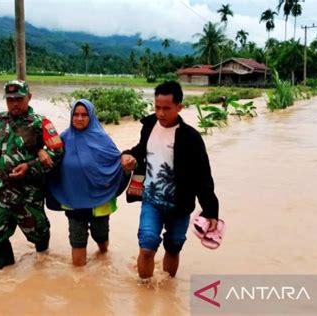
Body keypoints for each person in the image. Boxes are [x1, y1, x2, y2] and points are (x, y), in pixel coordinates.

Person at [121, 80, 219, 280]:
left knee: (173, 248)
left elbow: (203, 176)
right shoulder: (149, 125)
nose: (160, 114)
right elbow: (142, 149)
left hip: (180, 205)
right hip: (151, 201)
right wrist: (129, 155)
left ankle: (167, 291)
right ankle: (145, 296)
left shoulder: (191, 138)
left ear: (179, 107)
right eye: (157, 107)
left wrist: (211, 211)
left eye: (167, 108)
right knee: (147, 246)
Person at [0, 80, 64, 269]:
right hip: (1, 192)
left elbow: (57, 152)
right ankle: (6, 274)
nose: (14, 104)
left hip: (28, 195)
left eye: (19, 99)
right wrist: (1, 166)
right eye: (10, 100)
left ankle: (42, 262)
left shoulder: (40, 123)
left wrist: (31, 165)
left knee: (39, 233)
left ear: (29, 97)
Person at [46, 99, 127, 267]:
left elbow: (117, 162)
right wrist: (40, 152)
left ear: (91, 116)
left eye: (84, 115)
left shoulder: (103, 139)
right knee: (77, 242)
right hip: (73, 201)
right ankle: (80, 284)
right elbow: (50, 162)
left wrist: (129, 162)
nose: (80, 118)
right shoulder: (62, 139)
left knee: (101, 237)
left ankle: (103, 258)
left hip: (100, 201)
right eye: (76, 114)